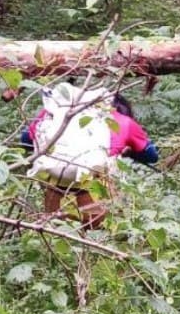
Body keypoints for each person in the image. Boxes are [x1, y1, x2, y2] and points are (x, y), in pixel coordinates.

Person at [18, 85, 159, 227]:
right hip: (97, 191)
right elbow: (152, 155)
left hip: (56, 192)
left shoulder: (54, 114)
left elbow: (25, 139)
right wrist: (127, 150)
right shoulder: (124, 122)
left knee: (58, 235)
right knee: (101, 236)